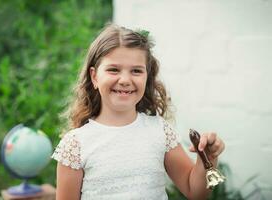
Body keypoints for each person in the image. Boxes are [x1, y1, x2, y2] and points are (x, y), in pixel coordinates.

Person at [51, 24, 225, 200]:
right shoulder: (75, 144)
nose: (125, 80)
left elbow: (195, 192)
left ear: (147, 76)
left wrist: (207, 158)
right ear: (94, 76)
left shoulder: (160, 131)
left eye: (136, 71)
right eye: (113, 70)